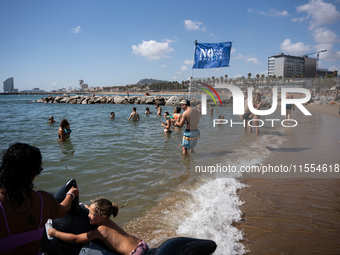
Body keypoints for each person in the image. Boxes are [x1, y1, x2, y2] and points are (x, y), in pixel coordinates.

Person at [0, 143, 79, 255]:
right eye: (38, 170)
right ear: (33, 173)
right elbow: (62, 210)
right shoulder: (43, 200)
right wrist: (70, 194)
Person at [48, 198, 149, 255]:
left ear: (102, 216)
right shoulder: (108, 221)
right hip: (141, 244)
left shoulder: (100, 231)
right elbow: (94, 213)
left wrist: (55, 233)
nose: (88, 215)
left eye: (91, 213)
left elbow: (76, 239)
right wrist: (88, 208)